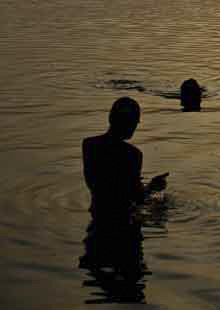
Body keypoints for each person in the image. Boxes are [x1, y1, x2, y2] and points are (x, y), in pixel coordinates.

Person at [79, 97, 168, 302]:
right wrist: (153, 188)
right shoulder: (132, 155)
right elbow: (135, 198)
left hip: (97, 219)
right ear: (131, 124)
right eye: (136, 122)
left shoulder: (89, 146)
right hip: (123, 226)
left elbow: (98, 185)